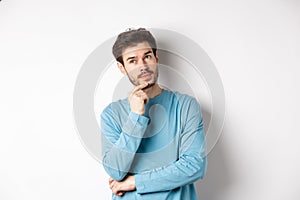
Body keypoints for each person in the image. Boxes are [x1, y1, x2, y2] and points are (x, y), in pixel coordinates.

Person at [101, 28, 207, 199]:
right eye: (133, 61)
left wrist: (135, 182)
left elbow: (194, 166)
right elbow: (116, 170)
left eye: (147, 57)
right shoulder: (111, 114)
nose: (142, 65)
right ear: (122, 68)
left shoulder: (186, 106)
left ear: (156, 58)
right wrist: (136, 117)